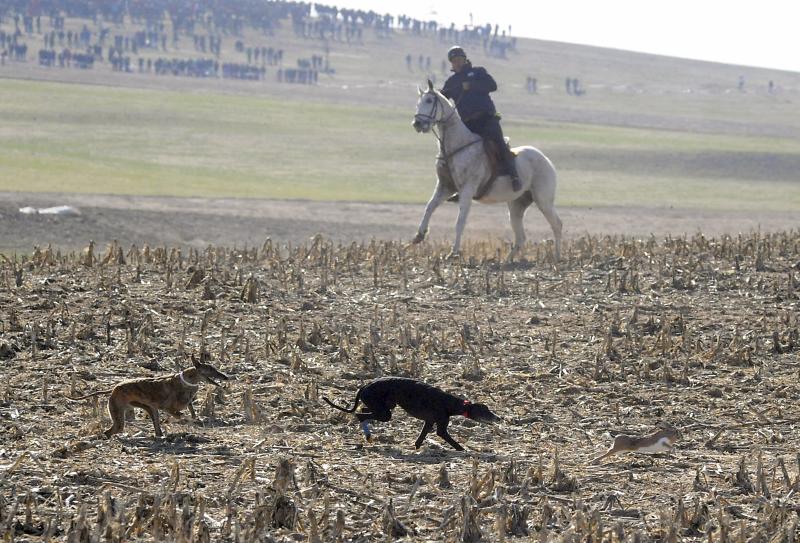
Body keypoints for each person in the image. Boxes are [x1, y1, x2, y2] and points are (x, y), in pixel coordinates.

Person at [441, 46, 520, 190]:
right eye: (454, 61)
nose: (457, 63)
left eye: (459, 60)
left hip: (487, 119)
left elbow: (492, 86)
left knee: (499, 143)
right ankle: (457, 185)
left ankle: (514, 176)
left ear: (465, 60)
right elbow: (442, 98)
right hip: (468, 124)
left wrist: (471, 85)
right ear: (451, 64)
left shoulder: (478, 72)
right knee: (455, 151)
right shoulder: (451, 82)